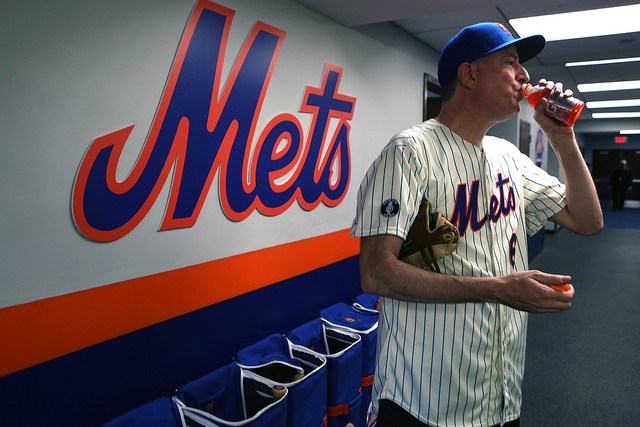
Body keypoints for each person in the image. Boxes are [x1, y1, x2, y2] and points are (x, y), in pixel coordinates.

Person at [350, 22, 603, 427]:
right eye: (510, 62)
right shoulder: (410, 151)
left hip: (500, 393)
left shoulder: (509, 156)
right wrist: (498, 289)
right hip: (422, 399)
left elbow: (588, 221)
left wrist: (563, 139)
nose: (524, 76)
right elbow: (375, 272)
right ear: (468, 75)